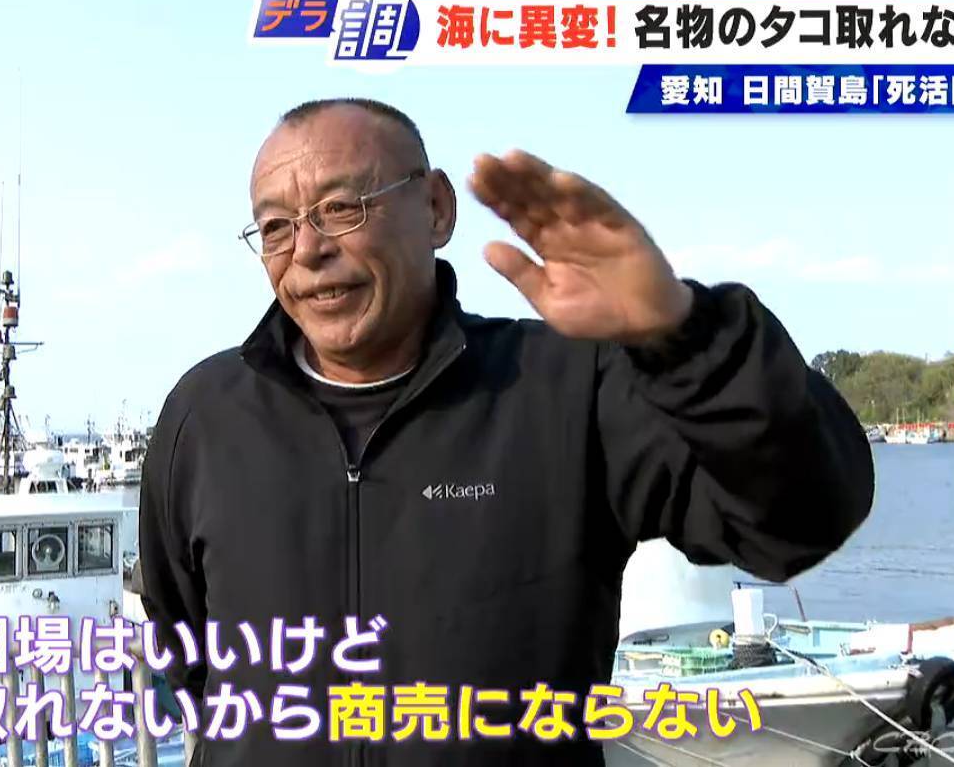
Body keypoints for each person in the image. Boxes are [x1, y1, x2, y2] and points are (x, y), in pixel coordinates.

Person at [138, 98, 874, 766]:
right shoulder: (206, 416)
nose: (306, 250)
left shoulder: (568, 385)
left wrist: (683, 335)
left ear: (435, 209)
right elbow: (191, 653)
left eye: (341, 208)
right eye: (275, 226)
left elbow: (797, 522)